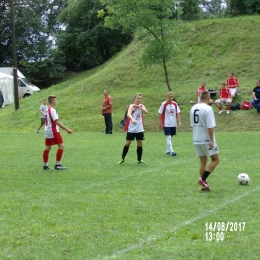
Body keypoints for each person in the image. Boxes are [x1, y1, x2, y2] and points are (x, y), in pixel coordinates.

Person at [190, 91, 220, 191]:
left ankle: (204, 186)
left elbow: (192, 124)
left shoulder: (193, 108)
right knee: (216, 160)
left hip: (196, 138)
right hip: (206, 139)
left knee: (203, 161)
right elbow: (210, 126)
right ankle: (202, 179)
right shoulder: (208, 108)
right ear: (208, 98)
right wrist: (211, 140)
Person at [43, 95, 73, 170]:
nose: (56, 102)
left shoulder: (46, 109)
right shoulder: (52, 110)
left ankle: (45, 165)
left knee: (47, 148)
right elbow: (56, 122)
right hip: (53, 131)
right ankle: (57, 165)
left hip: (47, 131)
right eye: (56, 100)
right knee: (61, 146)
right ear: (53, 102)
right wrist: (67, 129)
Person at [117, 93, 148, 164]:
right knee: (128, 143)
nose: (139, 100)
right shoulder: (131, 106)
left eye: (140, 98)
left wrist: (140, 107)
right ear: (135, 98)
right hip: (131, 129)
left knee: (140, 143)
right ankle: (122, 158)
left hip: (139, 129)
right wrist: (132, 119)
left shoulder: (141, 106)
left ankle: (139, 159)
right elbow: (128, 114)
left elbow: (146, 112)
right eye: (138, 98)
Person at [158, 92, 181, 156]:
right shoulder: (164, 104)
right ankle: (172, 151)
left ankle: (167, 150)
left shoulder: (175, 104)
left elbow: (178, 113)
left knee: (171, 137)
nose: (171, 98)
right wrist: (160, 123)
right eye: (169, 97)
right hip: (166, 123)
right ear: (167, 97)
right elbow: (159, 113)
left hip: (173, 123)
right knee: (168, 136)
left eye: (172, 97)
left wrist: (179, 121)